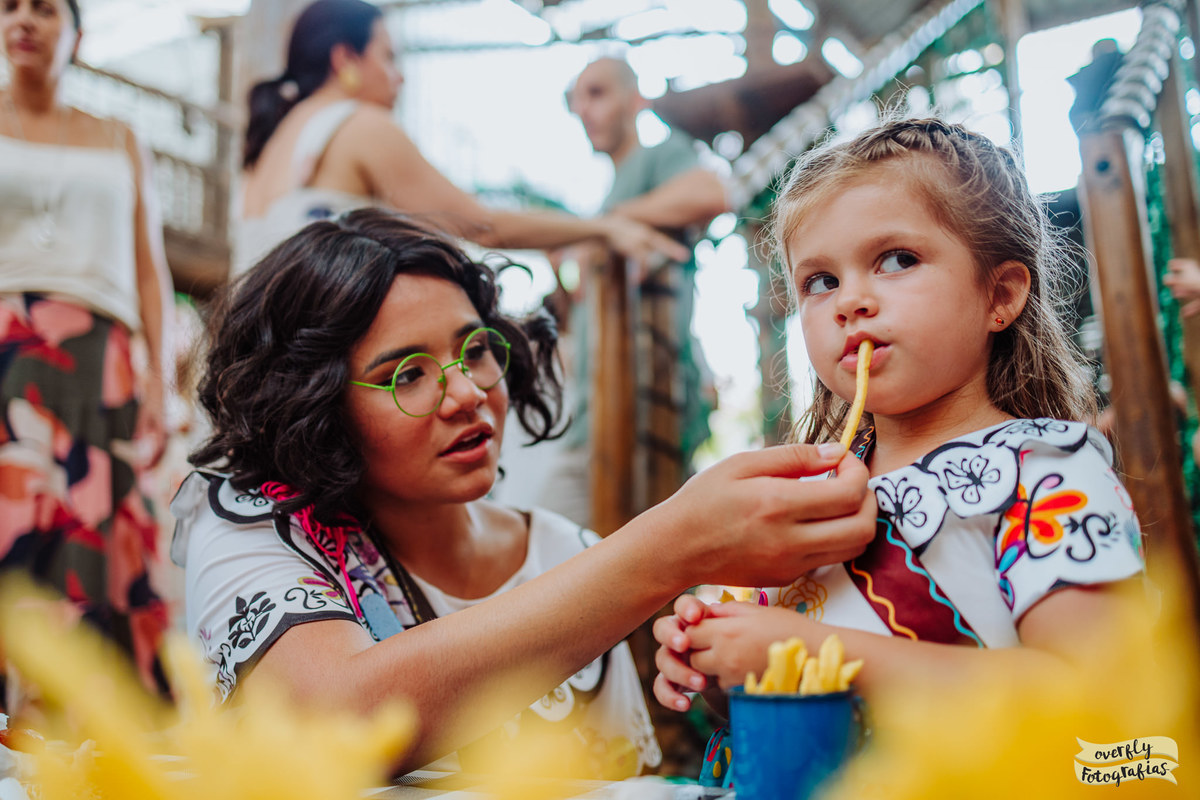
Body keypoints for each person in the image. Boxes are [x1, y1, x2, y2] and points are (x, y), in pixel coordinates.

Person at [170, 209, 878, 776]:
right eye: (406, 375)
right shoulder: (246, 525)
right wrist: (674, 544)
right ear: (315, 405)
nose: (467, 393)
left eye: (475, 350)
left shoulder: (565, 553)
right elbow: (329, 724)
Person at [653, 118, 1146, 714]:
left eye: (896, 259)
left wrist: (813, 655)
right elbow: (770, 685)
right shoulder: (805, 497)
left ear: (1000, 296)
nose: (848, 302)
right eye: (821, 280)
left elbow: (1096, 703)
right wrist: (717, 662)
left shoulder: (1047, 475)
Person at [234, 0, 686, 278]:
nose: (399, 77)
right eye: (388, 57)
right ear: (345, 59)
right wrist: (605, 228)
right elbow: (481, 226)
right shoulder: (358, 125)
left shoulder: (270, 145)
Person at [0, 0, 174, 702]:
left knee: (96, 535)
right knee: (12, 523)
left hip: (103, 355)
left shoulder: (119, 137)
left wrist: (160, 379)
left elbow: (150, 269)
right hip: (7, 345)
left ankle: (89, 719)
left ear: (76, 33)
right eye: (9, 6)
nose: (24, 20)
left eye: (44, 9)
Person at [506, 56, 728, 526]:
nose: (583, 110)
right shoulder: (613, 193)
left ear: (636, 99)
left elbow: (711, 192)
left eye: (597, 93)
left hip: (647, 411)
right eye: (576, 101)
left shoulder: (659, 157)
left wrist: (607, 225)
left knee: (550, 536)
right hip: (595, 416)